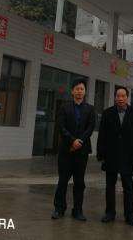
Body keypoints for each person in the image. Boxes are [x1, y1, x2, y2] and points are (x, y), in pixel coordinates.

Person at [96, 86, 133, 226]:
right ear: (115, 97)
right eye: (118, 96)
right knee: (109, 186)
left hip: (128, 157)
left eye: (123, 96)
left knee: (128, 187)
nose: (120, 98)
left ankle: (129, 215)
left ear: (127, 97)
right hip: (111, 155)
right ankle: (110, 213)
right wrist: (101, 154)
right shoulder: (108, 113)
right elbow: (102, 135)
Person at [52, 78, 96, 221]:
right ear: (72, 91)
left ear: (85, 91)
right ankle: (59, 209)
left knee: (79, 182)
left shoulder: (90, 109)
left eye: (82, 89)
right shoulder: (64, 107)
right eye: (77, 89)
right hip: (66, 150)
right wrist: (72, 141)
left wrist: (79, 142)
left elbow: (90, 127)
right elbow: (61, 126)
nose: (79, 91)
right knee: (63, 181)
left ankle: (77, 210)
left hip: (81, 151)